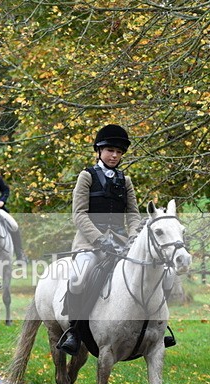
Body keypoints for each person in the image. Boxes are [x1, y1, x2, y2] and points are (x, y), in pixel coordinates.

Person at [56, 124, 145, 355]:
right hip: (90, 244)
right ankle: (74, 331)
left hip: (121, 245)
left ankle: (152, 329)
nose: (115, 155)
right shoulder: (86, 176)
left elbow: (134, 214)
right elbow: (79, 214)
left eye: (119, 152)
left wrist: (134, 236)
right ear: (99, 150)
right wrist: (98, 240)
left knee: (146, 275)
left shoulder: (125, 180)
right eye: (110, 150)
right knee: (78, 278)